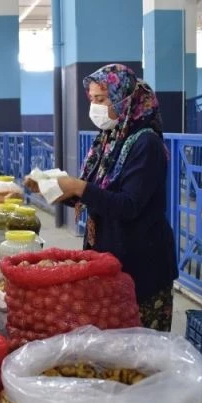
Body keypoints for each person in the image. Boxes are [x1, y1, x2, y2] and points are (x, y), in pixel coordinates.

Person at [52, 63, 178, 331]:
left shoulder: (146, 143)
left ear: (124, 100)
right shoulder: (109, 139)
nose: (94, 107)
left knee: (141, 355)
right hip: (109, 258)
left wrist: (79, 188)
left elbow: (128, 204)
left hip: (141, 264)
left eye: (101, 99)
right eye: (92, 100)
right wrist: (58, 192)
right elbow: (97, 191)